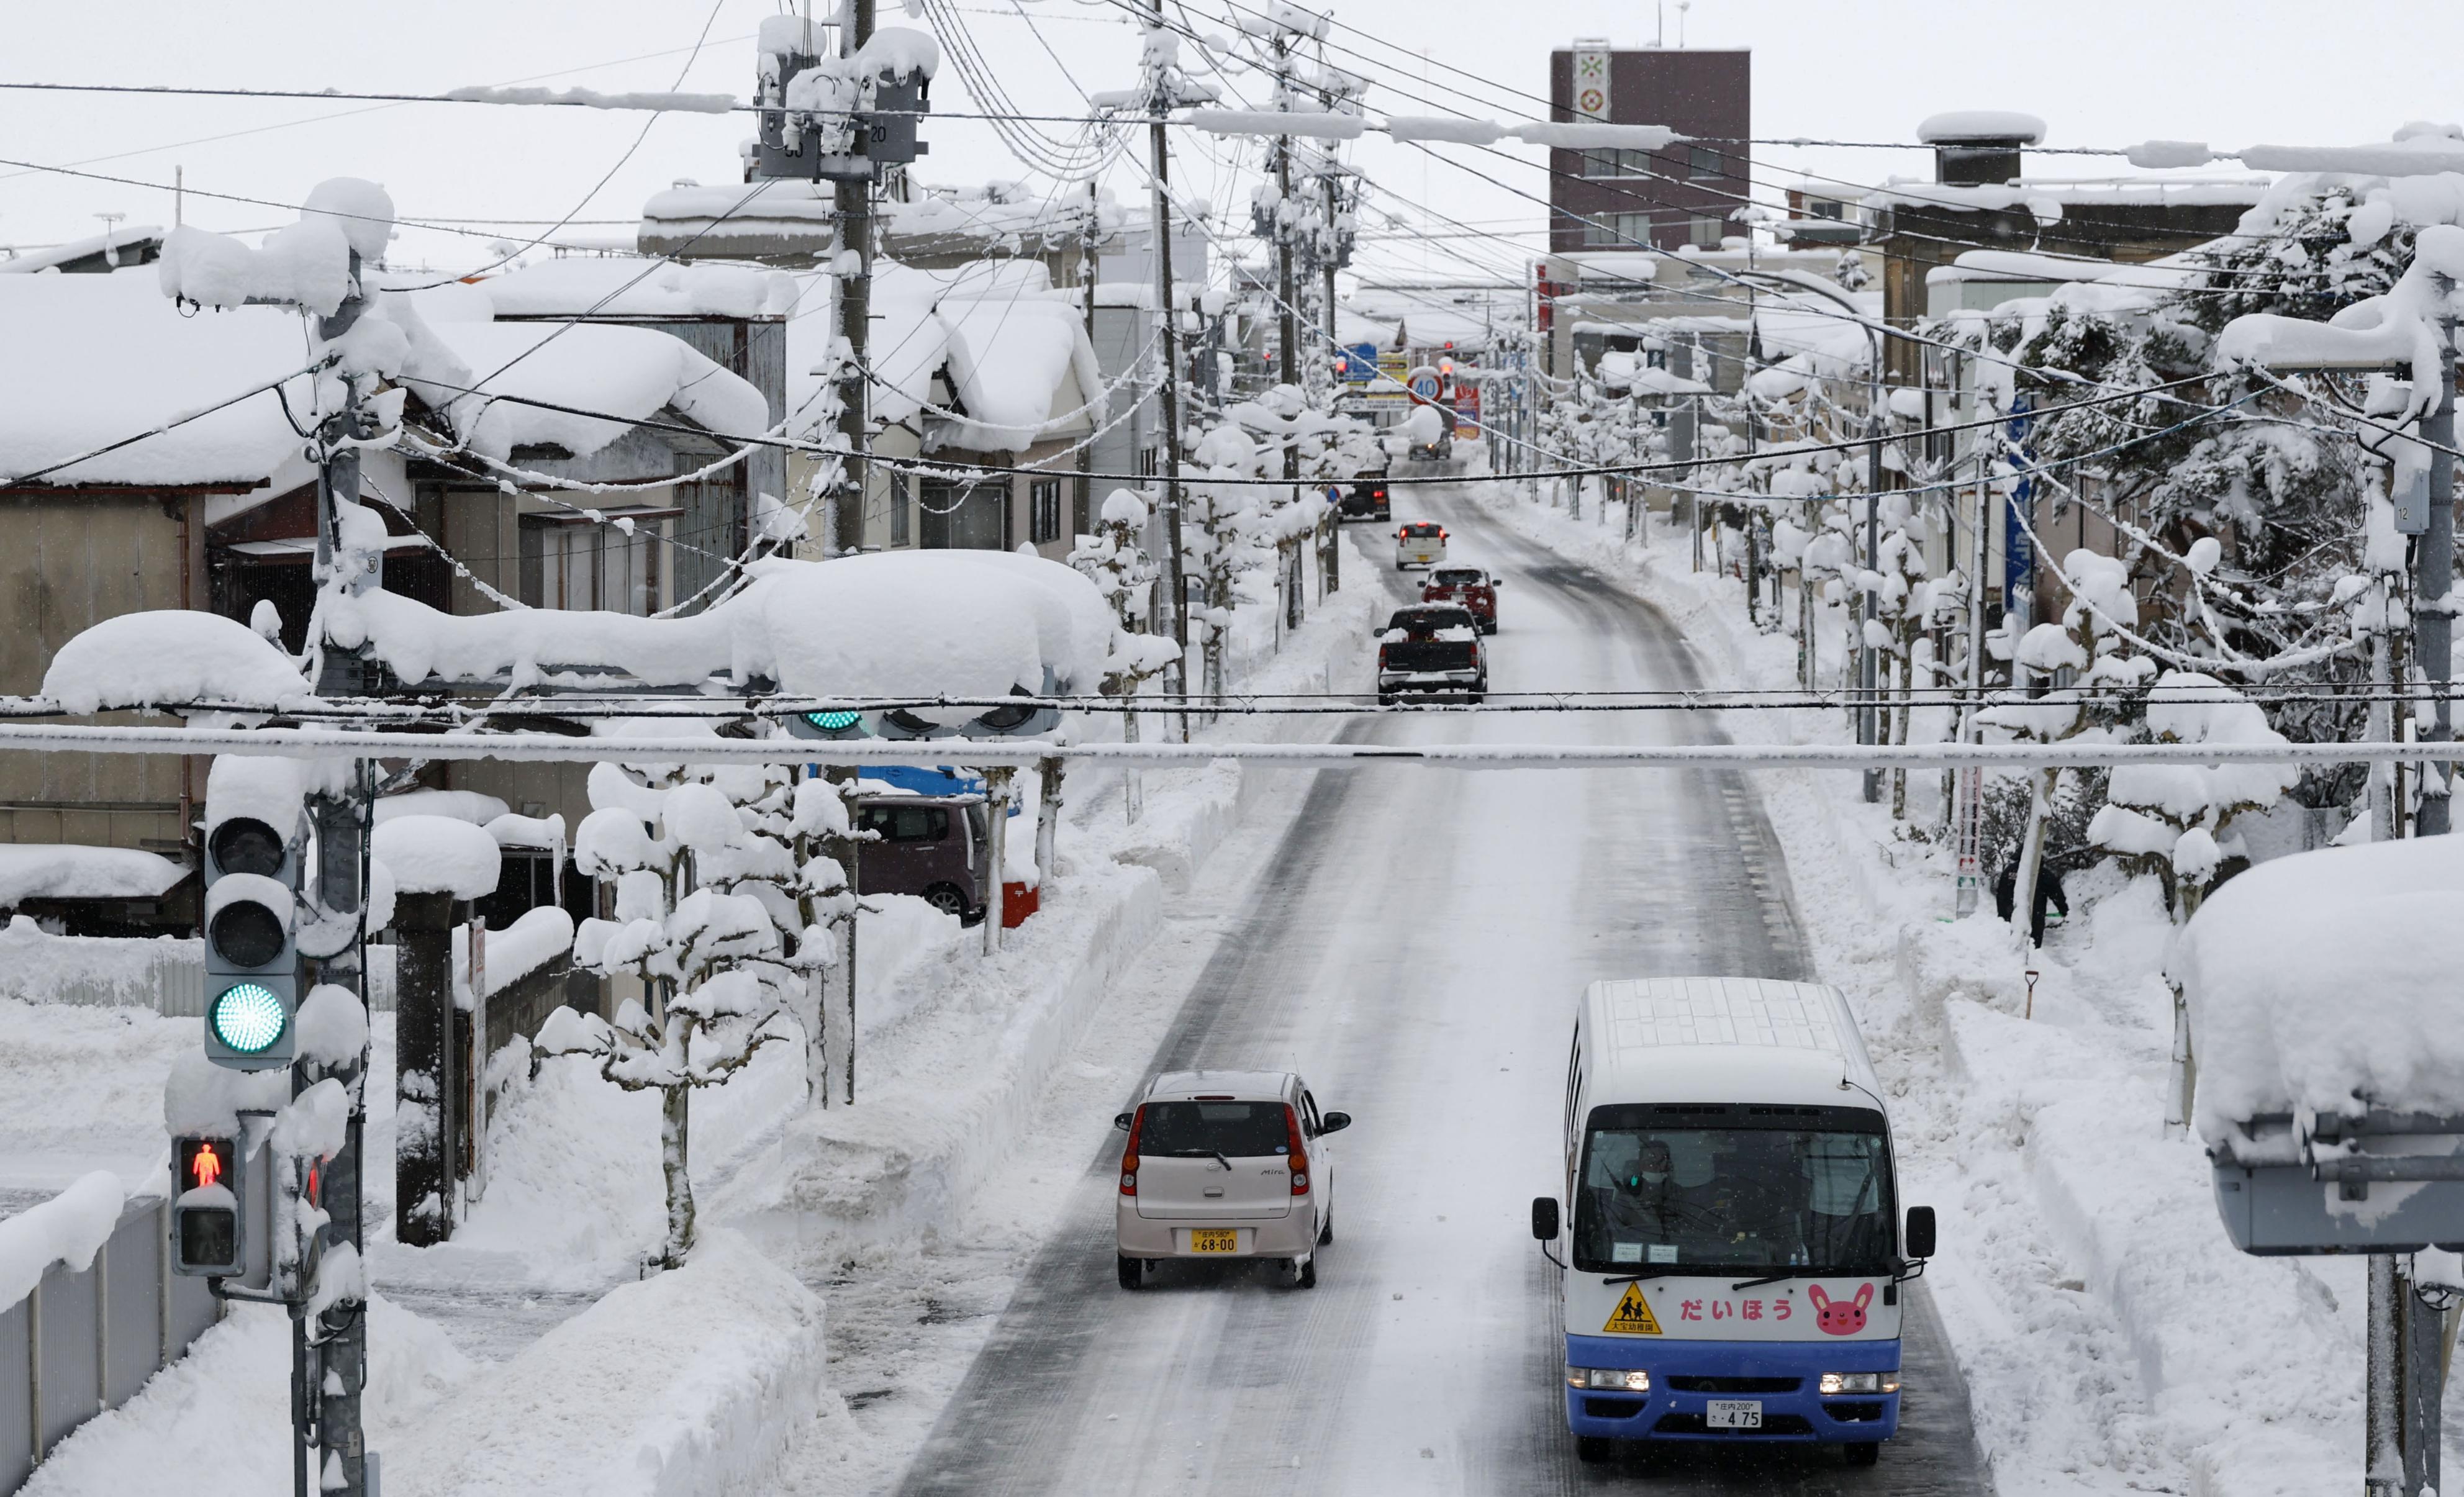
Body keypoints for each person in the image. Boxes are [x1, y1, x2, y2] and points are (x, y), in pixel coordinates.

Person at [1994, 857, 2070, 946]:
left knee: (2009, 943)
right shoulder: (2042, 873)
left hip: (2010, 914)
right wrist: (2064, 910)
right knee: (2033, 945)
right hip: (2035, 916)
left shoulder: (2009, 871)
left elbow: (2001, 894)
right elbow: (2056, 893)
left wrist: (2002, 914)